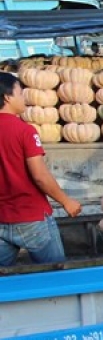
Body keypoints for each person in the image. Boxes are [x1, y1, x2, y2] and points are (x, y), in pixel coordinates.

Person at [0, 73, 82, 266]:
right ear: (7, 98)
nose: (24, 99)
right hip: (31, 218)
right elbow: (40, 176)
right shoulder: (25, 131)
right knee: (55, 276)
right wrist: (66, 201)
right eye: (20, 93)